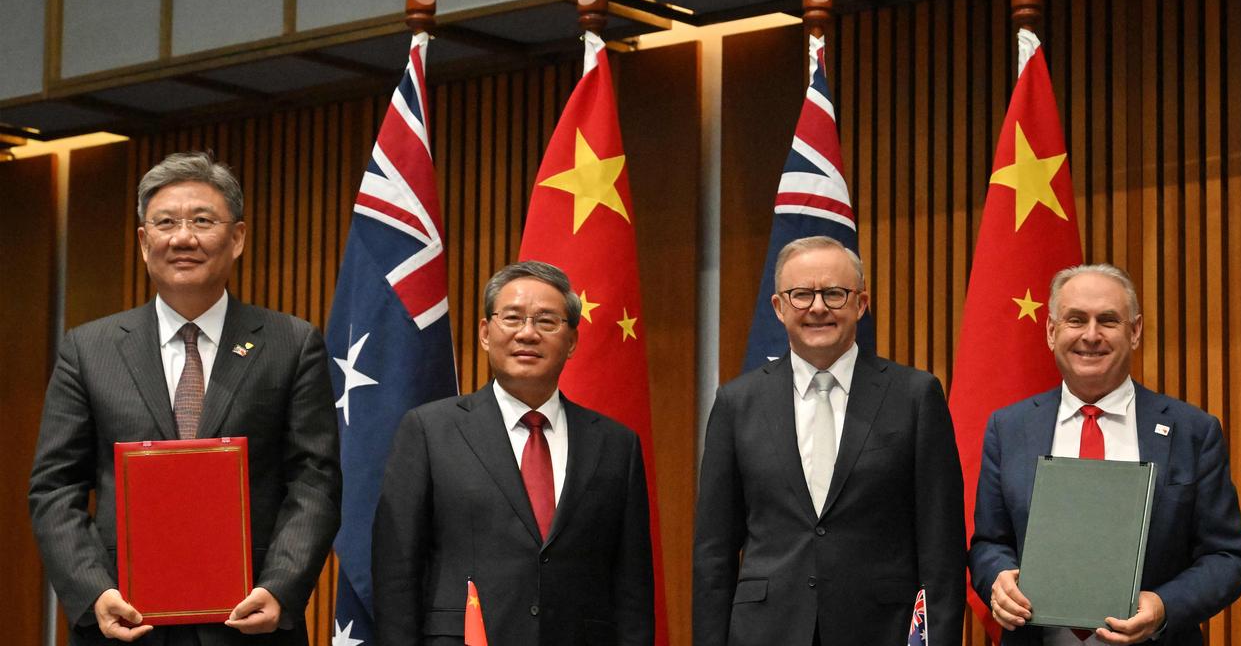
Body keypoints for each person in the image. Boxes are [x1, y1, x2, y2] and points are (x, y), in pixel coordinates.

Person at [28, 151, 342, 646]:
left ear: (236, 238)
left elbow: (314, 483)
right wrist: (94, 590)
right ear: (142, 240)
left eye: (202, 221)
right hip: (126, 622)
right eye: (165, 222)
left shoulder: (291, 343)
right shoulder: (88, 349)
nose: (183, 238)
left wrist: (280, 586)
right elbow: (54, 488)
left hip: (250, 623)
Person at [693, 235, 966, 646]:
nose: (818, 307)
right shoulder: (737, 402)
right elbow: (714, 552)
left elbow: (941, 548)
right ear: (779, 308)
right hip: (765, 632)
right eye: (801, 294)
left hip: (881, 630)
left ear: (860, 303)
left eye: (834, 294)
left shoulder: (915, 396)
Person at [371, 260, 654, 645]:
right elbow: (396, 571)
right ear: (486, 333)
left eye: (547, 321)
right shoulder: (429, 431)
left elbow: (632, 585)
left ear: (572, 341)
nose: (528, 334)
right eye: (513, 318)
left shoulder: (616, 444)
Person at [970, 263, 1241, 645]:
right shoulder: (1008, 429)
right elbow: (989, 543)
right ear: (1052, 332)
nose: (1091, 335)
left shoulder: (1192, 432)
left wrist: (1164, 606)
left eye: (1107, 320)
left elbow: (1229, 558)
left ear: (1134, 331)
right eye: (1075, 320)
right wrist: (998, 579)